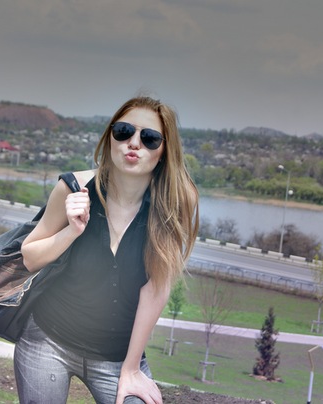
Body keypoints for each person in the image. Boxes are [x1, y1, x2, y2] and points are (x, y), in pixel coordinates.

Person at [15, 95, 199, 403]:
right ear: (110, 137)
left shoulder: (173, 204)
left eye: (150, 138)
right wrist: (72, 231)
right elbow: (29, 257)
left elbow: (156, 288)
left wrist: (131, 368)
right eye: (124, 131)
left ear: (164, 151)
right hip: (48, 342)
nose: (134, 143)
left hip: (117, 357)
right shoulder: (73, 188)